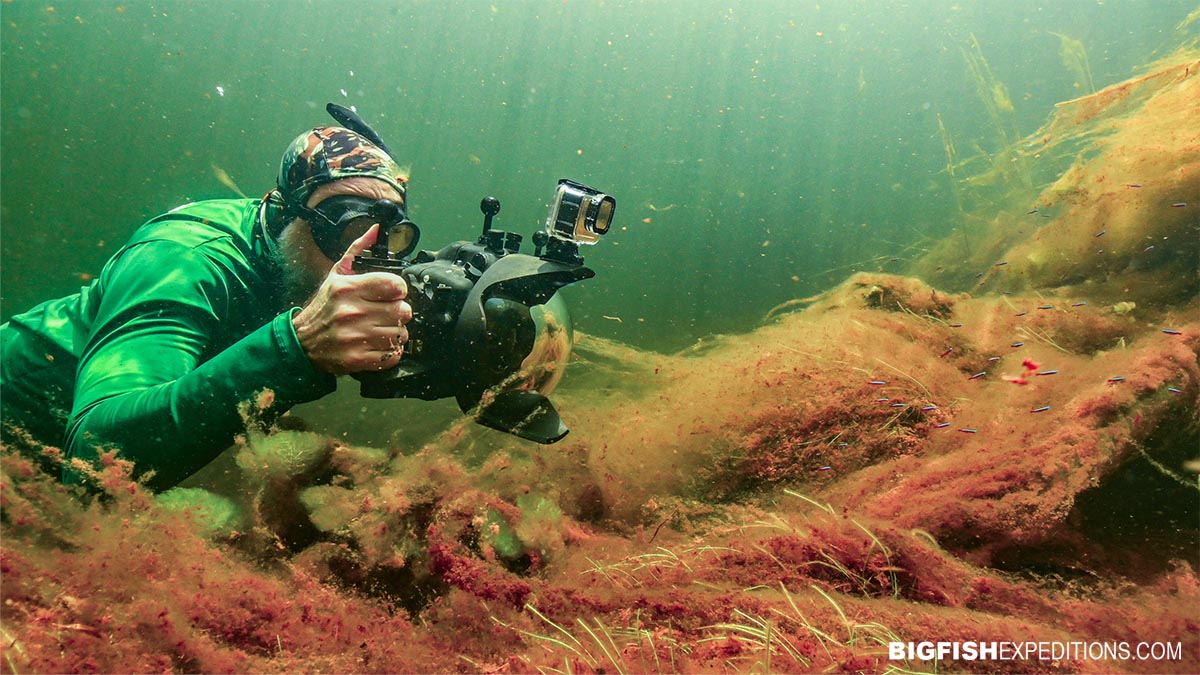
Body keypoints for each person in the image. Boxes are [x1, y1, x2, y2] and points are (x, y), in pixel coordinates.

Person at [0, 125, 417, 491]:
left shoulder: (294, 265)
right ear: (282, 213)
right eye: (349, 229)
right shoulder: (182, 257)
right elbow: (94, 462)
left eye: (389, 237)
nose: (362, 258)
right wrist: (297, 347)